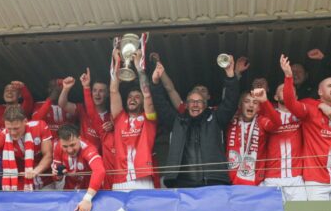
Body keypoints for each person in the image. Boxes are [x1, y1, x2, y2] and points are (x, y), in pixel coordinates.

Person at [280, 55, 331, 201]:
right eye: (330, 86)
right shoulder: (310, 110)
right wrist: (288, 77)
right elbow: (290, 103)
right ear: (320, 92)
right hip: (315, 180)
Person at [151, 58, 239, 187]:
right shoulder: (177, 121)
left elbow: (230, 102)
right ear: (186, 105)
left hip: (213, 182)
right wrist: (155, 82)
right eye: (192, 101)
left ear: (205, 105)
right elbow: (161, 105)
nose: (195, 104)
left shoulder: (216, 119)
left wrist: (231, 76)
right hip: (181, 183)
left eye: (199, 101)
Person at [110, 48, 157, 190]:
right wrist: (117, 63)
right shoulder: (119, 117)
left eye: (137, 97)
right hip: (120, 179)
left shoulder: (149, 118)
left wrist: (138, 67)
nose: (132, 99)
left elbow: (147, 94)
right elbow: (113, 91)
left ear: (142, 102)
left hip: (142, 179)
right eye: (130, 97)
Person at [0, 106, 53, 191]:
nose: (13, 133)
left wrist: (35, 171)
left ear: (25, 121)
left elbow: (48, 155)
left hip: (46, 179)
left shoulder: (40, 127)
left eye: (16, 128)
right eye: (9, 129)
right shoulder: (2, 136)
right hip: (20, 183)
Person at [226, 88, 281, 185]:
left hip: (255, 182)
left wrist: (265, 102)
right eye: (246, 101)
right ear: (240, 105)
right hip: (231, 182)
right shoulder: (230, 121)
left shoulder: (262, 121)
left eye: (255, 102)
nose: (251, 105)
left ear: (259, 108)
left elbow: (277, 124)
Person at [52, 124, 106, 211]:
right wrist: (58, 173)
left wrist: (87, 198)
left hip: (91, 196)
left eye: (73, 145)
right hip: (69, 195)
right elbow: (57, 177)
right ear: (60, 143)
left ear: (79, 139)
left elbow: (100, 171)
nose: (69, 150)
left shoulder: (88, 149)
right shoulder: (58, 147)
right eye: (65, 146)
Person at [262, 83, 306, 201]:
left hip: (296, 178)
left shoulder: (301, 115)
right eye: (283, 90)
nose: (287, 92)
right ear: (275, 97)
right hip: (272, 178)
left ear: (296, 97)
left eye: (291, 90)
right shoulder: (266, 114)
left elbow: (316, 104)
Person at [57, 68, 111, 152]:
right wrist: (66, 88)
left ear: (107, 94)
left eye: (101, 91)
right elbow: (62, 104)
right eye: (94, 90)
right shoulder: (82, 108)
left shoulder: (111, 116)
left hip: (101, 159)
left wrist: (113, 126)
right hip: (82, 157)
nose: (97, 94)